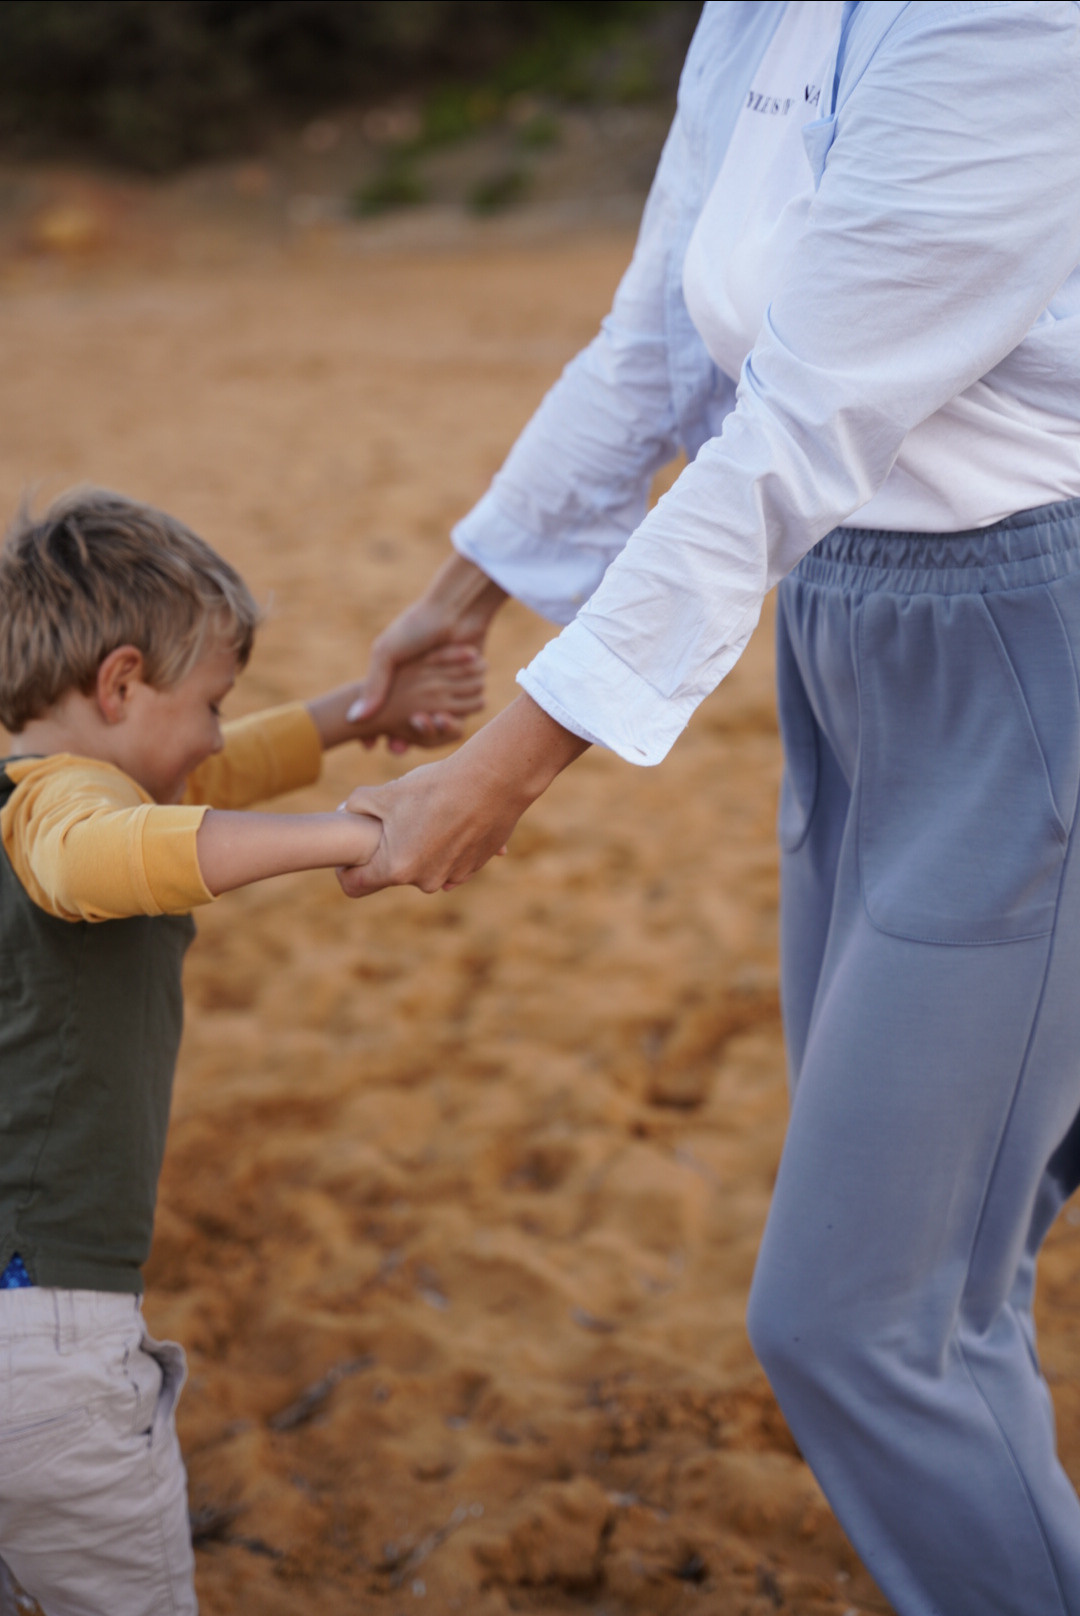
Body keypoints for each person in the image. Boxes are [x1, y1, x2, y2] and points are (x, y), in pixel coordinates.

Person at [337, 4, 1080, 1613]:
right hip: (847, 645)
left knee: (863, 1326)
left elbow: (794, 431)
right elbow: (660, 348)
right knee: (952, 1294)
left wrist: (507, 768)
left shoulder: (1009, 21)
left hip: (1035, 654)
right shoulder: (758, 10)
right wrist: (462, 598)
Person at [0, 488, 483, 1615]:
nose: (221, 730)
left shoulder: (35, 783)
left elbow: (208, 781)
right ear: (121, 683)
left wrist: (356, 714)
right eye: (213, 701)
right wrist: (359, 834)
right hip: (49, 1344)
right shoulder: (70, 818)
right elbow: (96, 858)